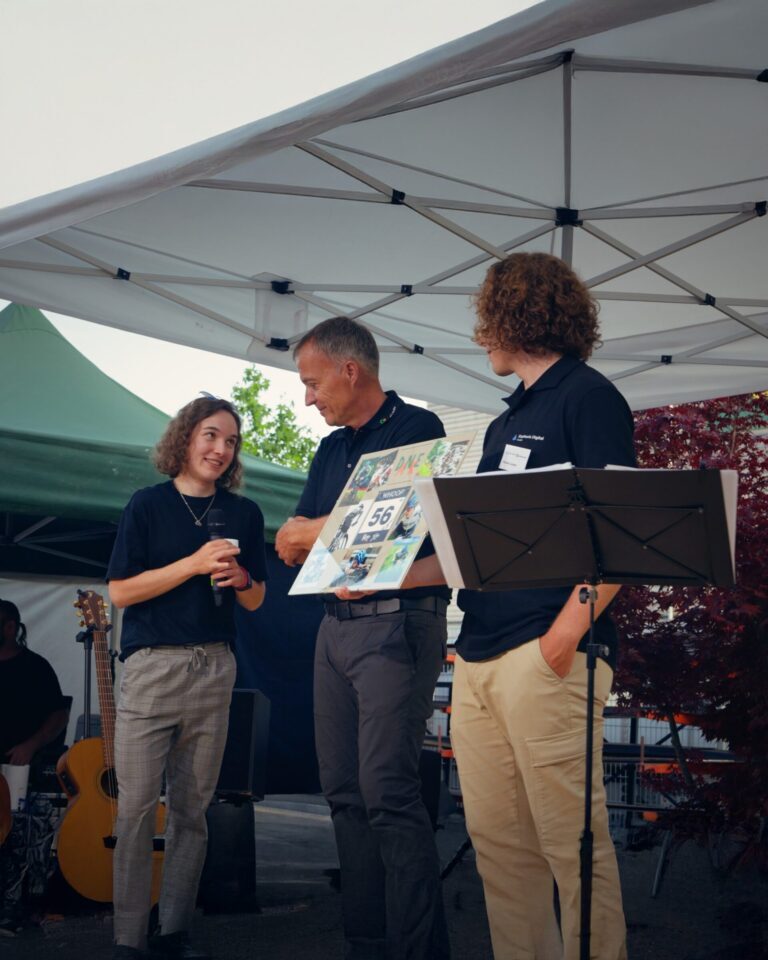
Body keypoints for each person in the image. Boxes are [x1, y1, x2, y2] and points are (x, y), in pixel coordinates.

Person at [402, 253, 634, 960]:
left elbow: (620, 535)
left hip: (547, 657)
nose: (480, 338)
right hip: (477, 655)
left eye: (485, 321)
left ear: (519, 316)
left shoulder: (588, 399)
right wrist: (379, 576)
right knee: (503, 854)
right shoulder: (507, 424)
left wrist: (560, 643)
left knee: (574, 849)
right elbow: (477, 552)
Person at [275, 317, 451, 960]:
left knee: (388, 792)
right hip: (334, 629)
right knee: (344, 794)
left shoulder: (418, 428)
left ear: (352, 371)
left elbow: (380, 530)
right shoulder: (328, 451)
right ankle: (367, 941)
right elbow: (293, 546)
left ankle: (419, 951)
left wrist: (325, 532)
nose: (308, 397)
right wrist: (335, 531)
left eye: (312, 382)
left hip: (397, 624)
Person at [107, 397, 267, 960]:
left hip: (214, 667)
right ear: (185, 438)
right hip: (152, 669)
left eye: (230, 441)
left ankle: (173, 929)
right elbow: (121, 592)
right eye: (210, 435)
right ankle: (128, 937)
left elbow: (256, 600)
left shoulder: (244, 514)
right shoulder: (147, 505)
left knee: (192, 811)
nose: (220, 449)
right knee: (134, 810)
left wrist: (241, 574)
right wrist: (194, 565)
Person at [0, 599, 70, 934]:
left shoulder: (35, 668)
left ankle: (18, 906)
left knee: (21, 830)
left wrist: (32, 744)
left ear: (10, 628)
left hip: (20, 767)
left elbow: (58, 714)